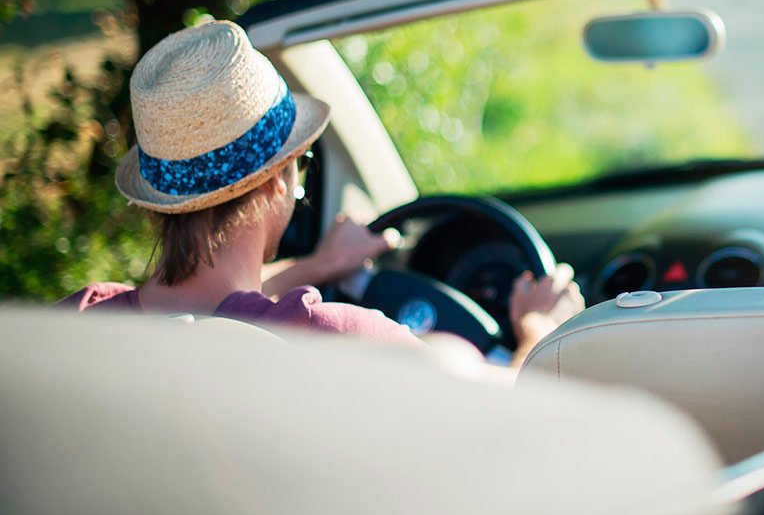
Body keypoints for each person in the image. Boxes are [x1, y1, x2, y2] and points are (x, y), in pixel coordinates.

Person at [57, 20, 583, 368]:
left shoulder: (72, 328)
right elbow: (513, 409)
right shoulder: (335, 343)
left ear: (160, 202)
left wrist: (318, 263)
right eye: (300, 165)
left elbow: (201, 297)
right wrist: (542, 330)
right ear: (277, 180)